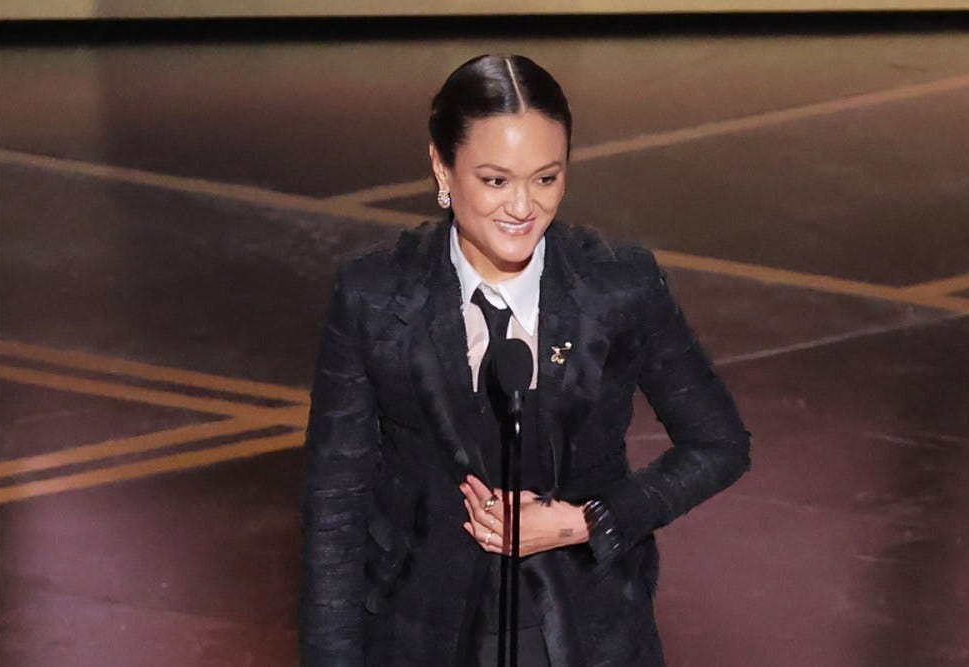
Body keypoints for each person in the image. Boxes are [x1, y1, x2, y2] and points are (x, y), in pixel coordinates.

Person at [300, 54, 751, 667]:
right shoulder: (375, 296)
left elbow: (719, 443)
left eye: (546, 178)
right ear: (441, 165)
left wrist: (585, 522)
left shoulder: (618, 287)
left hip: (587, 630)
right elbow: (335, 507)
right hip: (419, 631)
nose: (523, 208)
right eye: (495, 180)